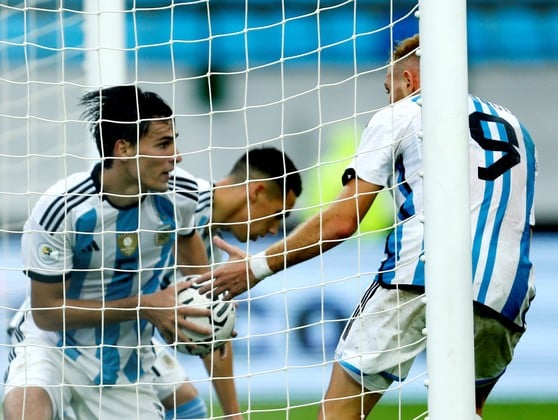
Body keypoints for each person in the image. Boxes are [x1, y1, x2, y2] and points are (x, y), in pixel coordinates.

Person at [197, 34, 537, 419]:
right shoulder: (517, 128)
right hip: (508, 289)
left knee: (338, 413)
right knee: (463, 411)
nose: (389, 99)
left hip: (420, 273)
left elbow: (342, 222)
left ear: (408, 80)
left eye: (389, 89)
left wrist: (257, 266)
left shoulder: (405, 112)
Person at [2, 86, 213, 420]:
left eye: (174, 142)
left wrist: (207, 299)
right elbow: (46, 312)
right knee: (26, 409)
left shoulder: (182, 194)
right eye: (163, 144)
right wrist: (145, 306)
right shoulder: (63, 209)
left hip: (126, 361)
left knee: (192, 410)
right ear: (123, 149)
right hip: (54, 346)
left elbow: (190, 248)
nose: (177, 156)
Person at [153, 147, 303, 419]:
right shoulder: (178, 195)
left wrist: (233, 415)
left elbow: (212, 327)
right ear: (257, 192)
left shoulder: (209, 247)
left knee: (190, 410)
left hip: (124, 337)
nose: (274, 229)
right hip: (84, 328)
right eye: (278, 214)